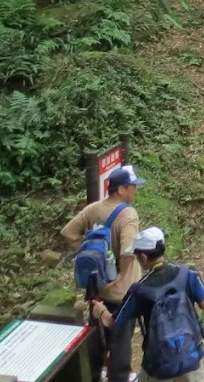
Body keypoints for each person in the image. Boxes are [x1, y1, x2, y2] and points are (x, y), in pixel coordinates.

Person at [90, 227, 204, 382]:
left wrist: (100, 311)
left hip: (158, 365)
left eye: (137, 256)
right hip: (191, 357)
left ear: (143, 256)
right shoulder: (188, 273)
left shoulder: (140, 289)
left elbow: (114, 322)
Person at [61, 164, 145, 382]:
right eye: (132, 186)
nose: (135, 190)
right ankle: (120, 377)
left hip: (95, 288)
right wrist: (120, 275)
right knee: (121, 337)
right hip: (121, 292)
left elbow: (68, 232)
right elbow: (128, 251)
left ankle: (97, 375)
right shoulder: (128, 214)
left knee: (97, 334)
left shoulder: (93, 209)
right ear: (120, 189)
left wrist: (84, 251)